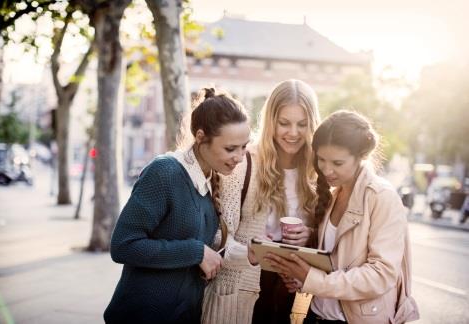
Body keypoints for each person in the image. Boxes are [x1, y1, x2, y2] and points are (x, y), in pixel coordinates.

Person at [103, 88, 250, 324]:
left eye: (244, 146)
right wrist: (196, 252)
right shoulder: (164, 172)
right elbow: (123, 245)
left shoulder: (212, 177)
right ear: (201, 137)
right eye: (230, 148)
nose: (240, 156)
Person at [264, 110, 420, 324]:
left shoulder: (381, 197)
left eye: (337, 163)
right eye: (321, 160)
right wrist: (302, 272)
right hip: (317, 316)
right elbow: (337, 258)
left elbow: (381, 274)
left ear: (361, 157)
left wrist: (313, 279)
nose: (327, 170)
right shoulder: (335, 192)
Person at [202, 79, 320, 324]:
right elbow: (217, 237)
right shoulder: (244, 164)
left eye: (302, 124)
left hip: (293, 291)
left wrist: (309, 235)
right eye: (284, 123)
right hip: (244, 289)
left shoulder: (319, 171)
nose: (293, 132)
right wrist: (250, 252)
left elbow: (329, 241)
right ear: (270, 122)